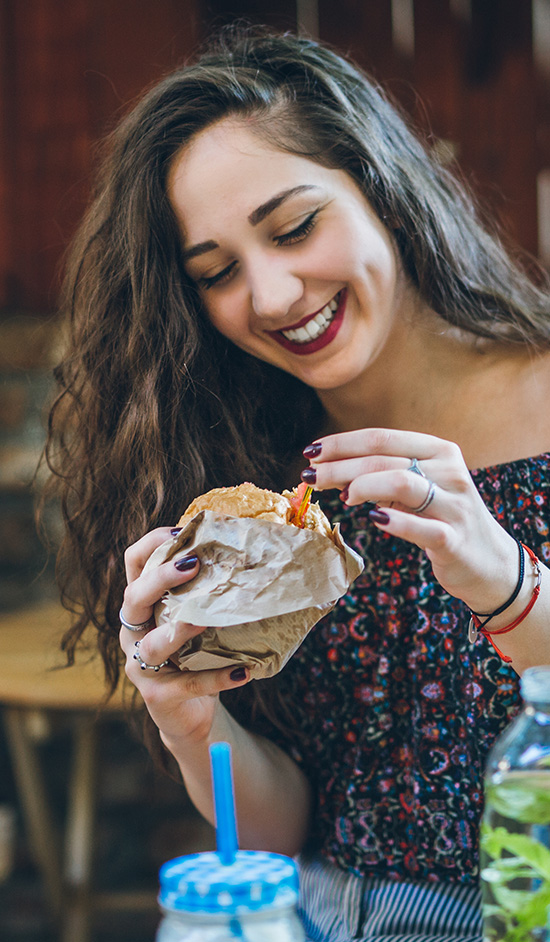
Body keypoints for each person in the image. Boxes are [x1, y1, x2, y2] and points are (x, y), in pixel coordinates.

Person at [43, 25, 550, 942]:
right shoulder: (249, 488)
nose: (274, 296)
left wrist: (510, 586)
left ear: (382, 187)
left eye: (295, 228)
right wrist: (192, 723)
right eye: (218, 273)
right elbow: (282, 839)